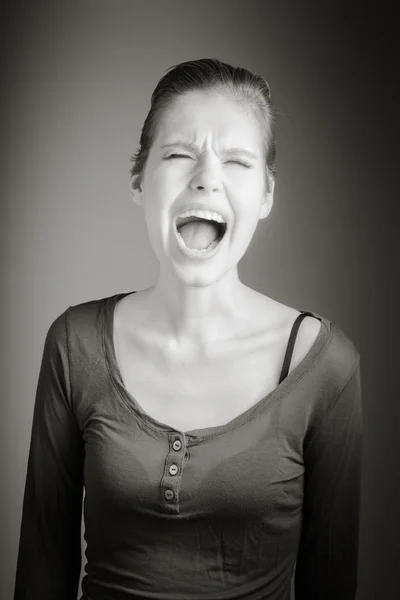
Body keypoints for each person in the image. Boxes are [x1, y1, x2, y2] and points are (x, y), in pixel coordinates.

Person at [13, 58, 363, 600]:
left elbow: (332, 581)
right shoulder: (74, 342)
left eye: (237, 162)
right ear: (138, 181)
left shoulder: (325, 364)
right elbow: (41, 568)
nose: (206, 177)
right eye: (178, 154)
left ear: (267, 196)